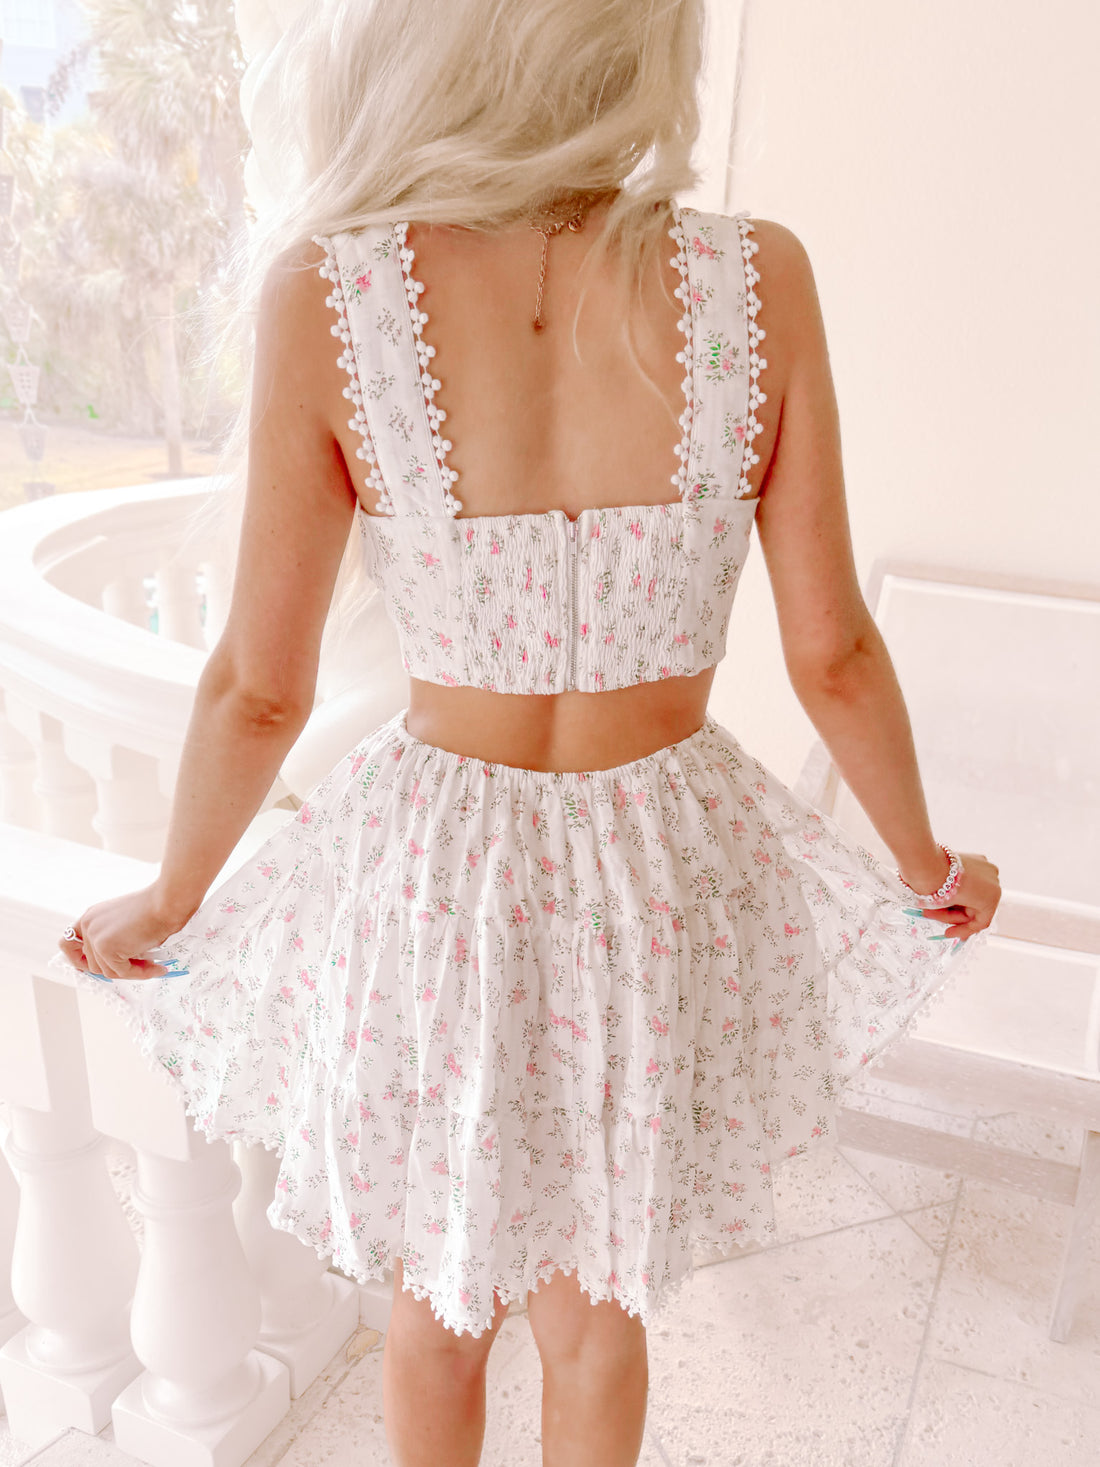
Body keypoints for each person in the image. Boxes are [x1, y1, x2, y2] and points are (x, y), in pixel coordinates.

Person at [51, 2, 1001, 1463]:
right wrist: (926, 861)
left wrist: (172, 899)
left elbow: (258, 685)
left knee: (437, 1306)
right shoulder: (760, 277)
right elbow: (834, 653)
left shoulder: (332, 291)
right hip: (656, 870)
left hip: (439, 874)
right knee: (596, 1307)